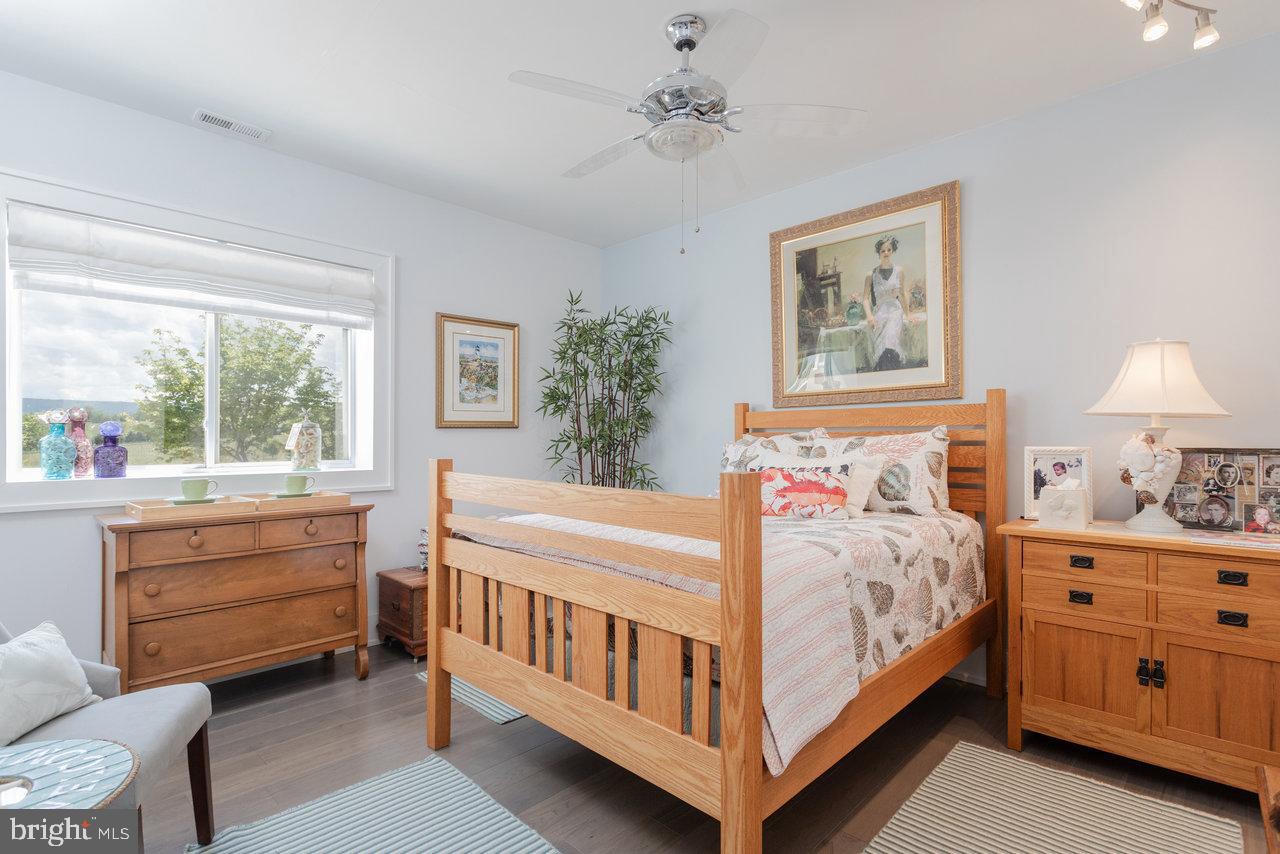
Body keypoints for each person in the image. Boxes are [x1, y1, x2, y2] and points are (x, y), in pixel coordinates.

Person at [860, 235, 909, 371]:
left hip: (895, 310)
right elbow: (865, 298)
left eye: (889, 250)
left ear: (892, 251)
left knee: (890, 339)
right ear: (879, 253)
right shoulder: (871, 274)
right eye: (883, 251)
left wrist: (908, 314)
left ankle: (892, 369)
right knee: (880, 345)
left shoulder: (899, 271)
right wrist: (869, 316)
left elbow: (902, 294)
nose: (886, 253)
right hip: (880, 312)